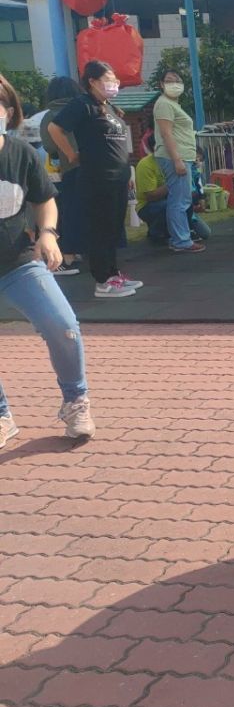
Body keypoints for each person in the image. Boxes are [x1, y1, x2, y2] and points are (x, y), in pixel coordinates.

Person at [0, 74, 95, 447]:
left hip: (18, 261)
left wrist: (48, 234)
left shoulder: (21, 153)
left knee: (62, 325)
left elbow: (44, 200)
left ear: (8, 112)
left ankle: (75, 401)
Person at [46, 61, 141, 298]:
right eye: (108, 79)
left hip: (117, 177)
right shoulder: (82, 104)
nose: (113, 84)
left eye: (114, 79)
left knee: (113, 228)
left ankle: (113, 274)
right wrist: (70, 154)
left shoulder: (107, 106)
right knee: (101, 229)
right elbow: (54, 128)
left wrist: (126, 174)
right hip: (98, 177)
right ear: (92, 81)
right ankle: (102, 281)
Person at [151, 69, 205, 254]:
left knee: (181, 198)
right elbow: (166, 133)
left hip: (182, 156)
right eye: (169, 80)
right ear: (161, 84)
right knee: (179, 200)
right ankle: (181, 240)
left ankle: (180, 238)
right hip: (174, 156)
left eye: (177, 80)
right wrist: (177, 160)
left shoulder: (172, 104)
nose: (174, 83)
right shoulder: (164, 104)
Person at [39, 77, 85, 276]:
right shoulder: (84, 109)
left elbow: (49, 147)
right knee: (90, 211)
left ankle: (67, 257)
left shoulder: (50, 116)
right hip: (94, 167)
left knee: (68, 213)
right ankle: (88, 250)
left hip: (69, 168)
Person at [135, 135, 211, 245]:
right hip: (148, 205)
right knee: (169, 205)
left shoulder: (175, 161)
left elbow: (192, 183)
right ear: (156, 148)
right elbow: (150, 196)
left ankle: (181, 230)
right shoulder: (145, 165)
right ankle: (157, 233)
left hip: (174, 200)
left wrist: (198, 199)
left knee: (205, 233)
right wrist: (174, 182)